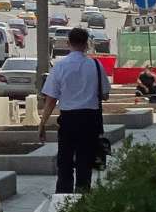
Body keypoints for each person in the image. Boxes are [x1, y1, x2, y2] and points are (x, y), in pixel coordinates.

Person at [38, 26, 110, 194]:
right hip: (90, 120)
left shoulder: (60, 66)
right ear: (87, 44)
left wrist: (42, 124)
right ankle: (82, 196)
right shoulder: (96, 65)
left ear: (68, 43)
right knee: (85, 162)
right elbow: (105, 95)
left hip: (69, 120)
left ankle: (63, 198)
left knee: (65, 162)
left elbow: (51, 99)